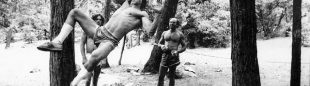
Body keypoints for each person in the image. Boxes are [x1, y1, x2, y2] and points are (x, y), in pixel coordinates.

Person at [36, 0, 153, 85]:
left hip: (110, 41)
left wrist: (153, 16)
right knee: (74, 12)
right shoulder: (126, 5)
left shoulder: (142, 14)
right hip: (99, 30)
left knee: (94, 57)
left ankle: (74, 83)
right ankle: (58, 42)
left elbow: (149, 30)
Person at [157, 18, 187, 86]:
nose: (171, 24)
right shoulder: (164, 33)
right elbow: (159, 43)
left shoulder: (180, 34)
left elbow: (184, 46)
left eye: (173, 22)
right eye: (170, 22)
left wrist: (178, 51)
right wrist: (161, 46)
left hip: (173, 56)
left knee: (171, 76)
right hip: (165, 56)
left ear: (177, 24)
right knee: (161, 76)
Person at [80, 14, 108, 86]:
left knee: (95, 79)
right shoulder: (86, 30)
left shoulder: (103, 32)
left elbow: (105, 46)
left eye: (100, 19)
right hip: (89, 56)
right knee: (88, 79)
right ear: (93, 20)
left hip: (98, 57)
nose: (98, 21)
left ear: (102, 22)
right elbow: (82, 44)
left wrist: (103, 59)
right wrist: (83, 58)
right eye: (96, 19)